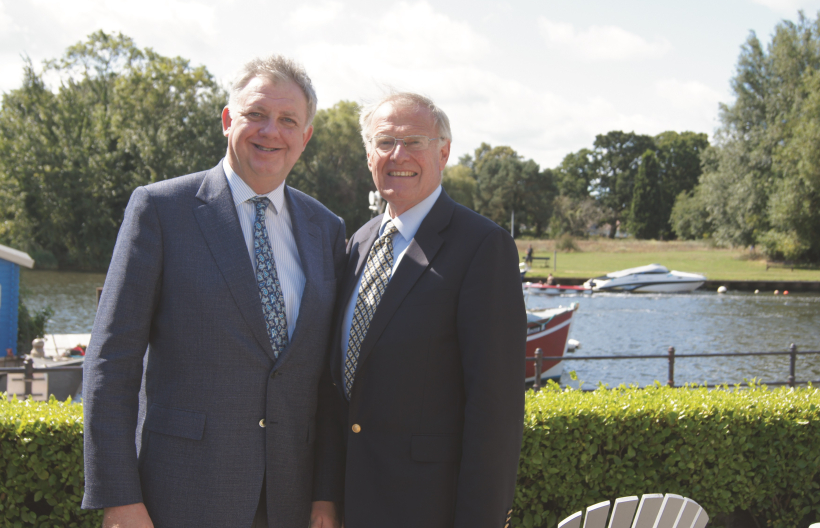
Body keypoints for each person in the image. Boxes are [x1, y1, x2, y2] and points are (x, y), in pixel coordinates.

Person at [82, 55, 344, 528]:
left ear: (304, 137)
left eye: (288, 120)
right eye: (256, 114)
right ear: (228, 120)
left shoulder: (327, 229)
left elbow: (325, 380)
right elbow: (111, 362)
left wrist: (325, 494)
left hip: (291, 499)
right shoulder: (161, 210)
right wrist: (119, 497)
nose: (271, 131)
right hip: (180, 495)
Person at [326, 92, 526, 527]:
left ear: (444, 152)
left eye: (414, 141)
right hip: (350, 504)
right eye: (384, 142)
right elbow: (338, 389)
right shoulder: (358, 243)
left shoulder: (481, 247)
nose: (398, 155)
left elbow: (496, 410)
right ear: (368, 155)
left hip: (427, 509)